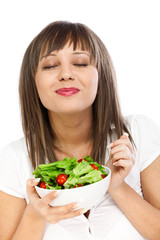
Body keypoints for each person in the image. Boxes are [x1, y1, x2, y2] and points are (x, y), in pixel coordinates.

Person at [0, 21, 160, 240]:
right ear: (32, 82)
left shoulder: (138, 134)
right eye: (49, 66)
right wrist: (35, 216)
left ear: (100, 75)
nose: (66, 74)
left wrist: (117, 187)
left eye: (81, 63)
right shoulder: (13, 159)